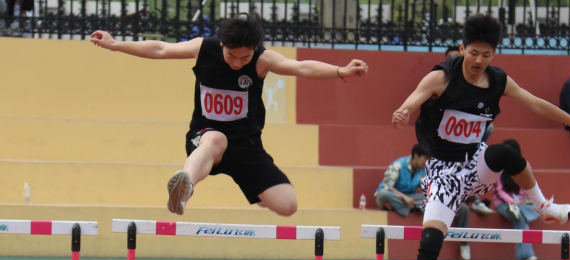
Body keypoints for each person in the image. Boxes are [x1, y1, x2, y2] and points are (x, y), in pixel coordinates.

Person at [391, 14, 570, 260]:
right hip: (443, 172)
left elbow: (537, 104)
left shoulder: (498, 81)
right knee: (430, 242)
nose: (479, 61)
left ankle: (543, 206)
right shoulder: (441, 77)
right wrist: (403, 111)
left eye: (486, 55)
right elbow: (413, 99)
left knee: (505, 153)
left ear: (494, 54)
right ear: (461, 49)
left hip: (475, 163)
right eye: (473, 53)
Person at [90, 12, 368, 217]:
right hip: (206, 139)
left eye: (244, 58)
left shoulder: (262, 59)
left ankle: (253, 189)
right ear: (222, 44)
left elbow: (301, 67)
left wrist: (340, 71)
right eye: (231, 56)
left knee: (288, 205)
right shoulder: (203, 48)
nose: (237, 63)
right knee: (216, 139)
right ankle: (184, 188)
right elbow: (161, 49)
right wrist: (115, 44)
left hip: (246, 145)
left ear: (254, 49)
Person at [445, 45, 495, 216]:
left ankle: (474, 199)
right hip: (445, 139)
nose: (453, 60)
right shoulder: (442, 78)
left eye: (485, 54)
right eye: (450, 58)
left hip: (468, 138)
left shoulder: (482, 80)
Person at [492, 139, 539, 260]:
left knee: (522, 214)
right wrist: (512, 202)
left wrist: (522, 201)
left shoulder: (524, 165)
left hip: (521, 203)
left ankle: (524, 255)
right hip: (503, 203)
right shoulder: (498, 166)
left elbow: (527, 185)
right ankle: (525, 255)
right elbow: (499, 190)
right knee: (519, 216)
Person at [375, 144, 429, 217]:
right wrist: (404, 197)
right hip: (394, 196)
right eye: (426, 158)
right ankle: (412, 208)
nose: (427, 161)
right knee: (382, 194)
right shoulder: (398, 164)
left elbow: (424, 190)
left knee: (430, 197)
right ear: (416, 156)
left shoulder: (423, 170)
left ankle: (402, 208)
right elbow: (387, 186)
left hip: (410, 198)